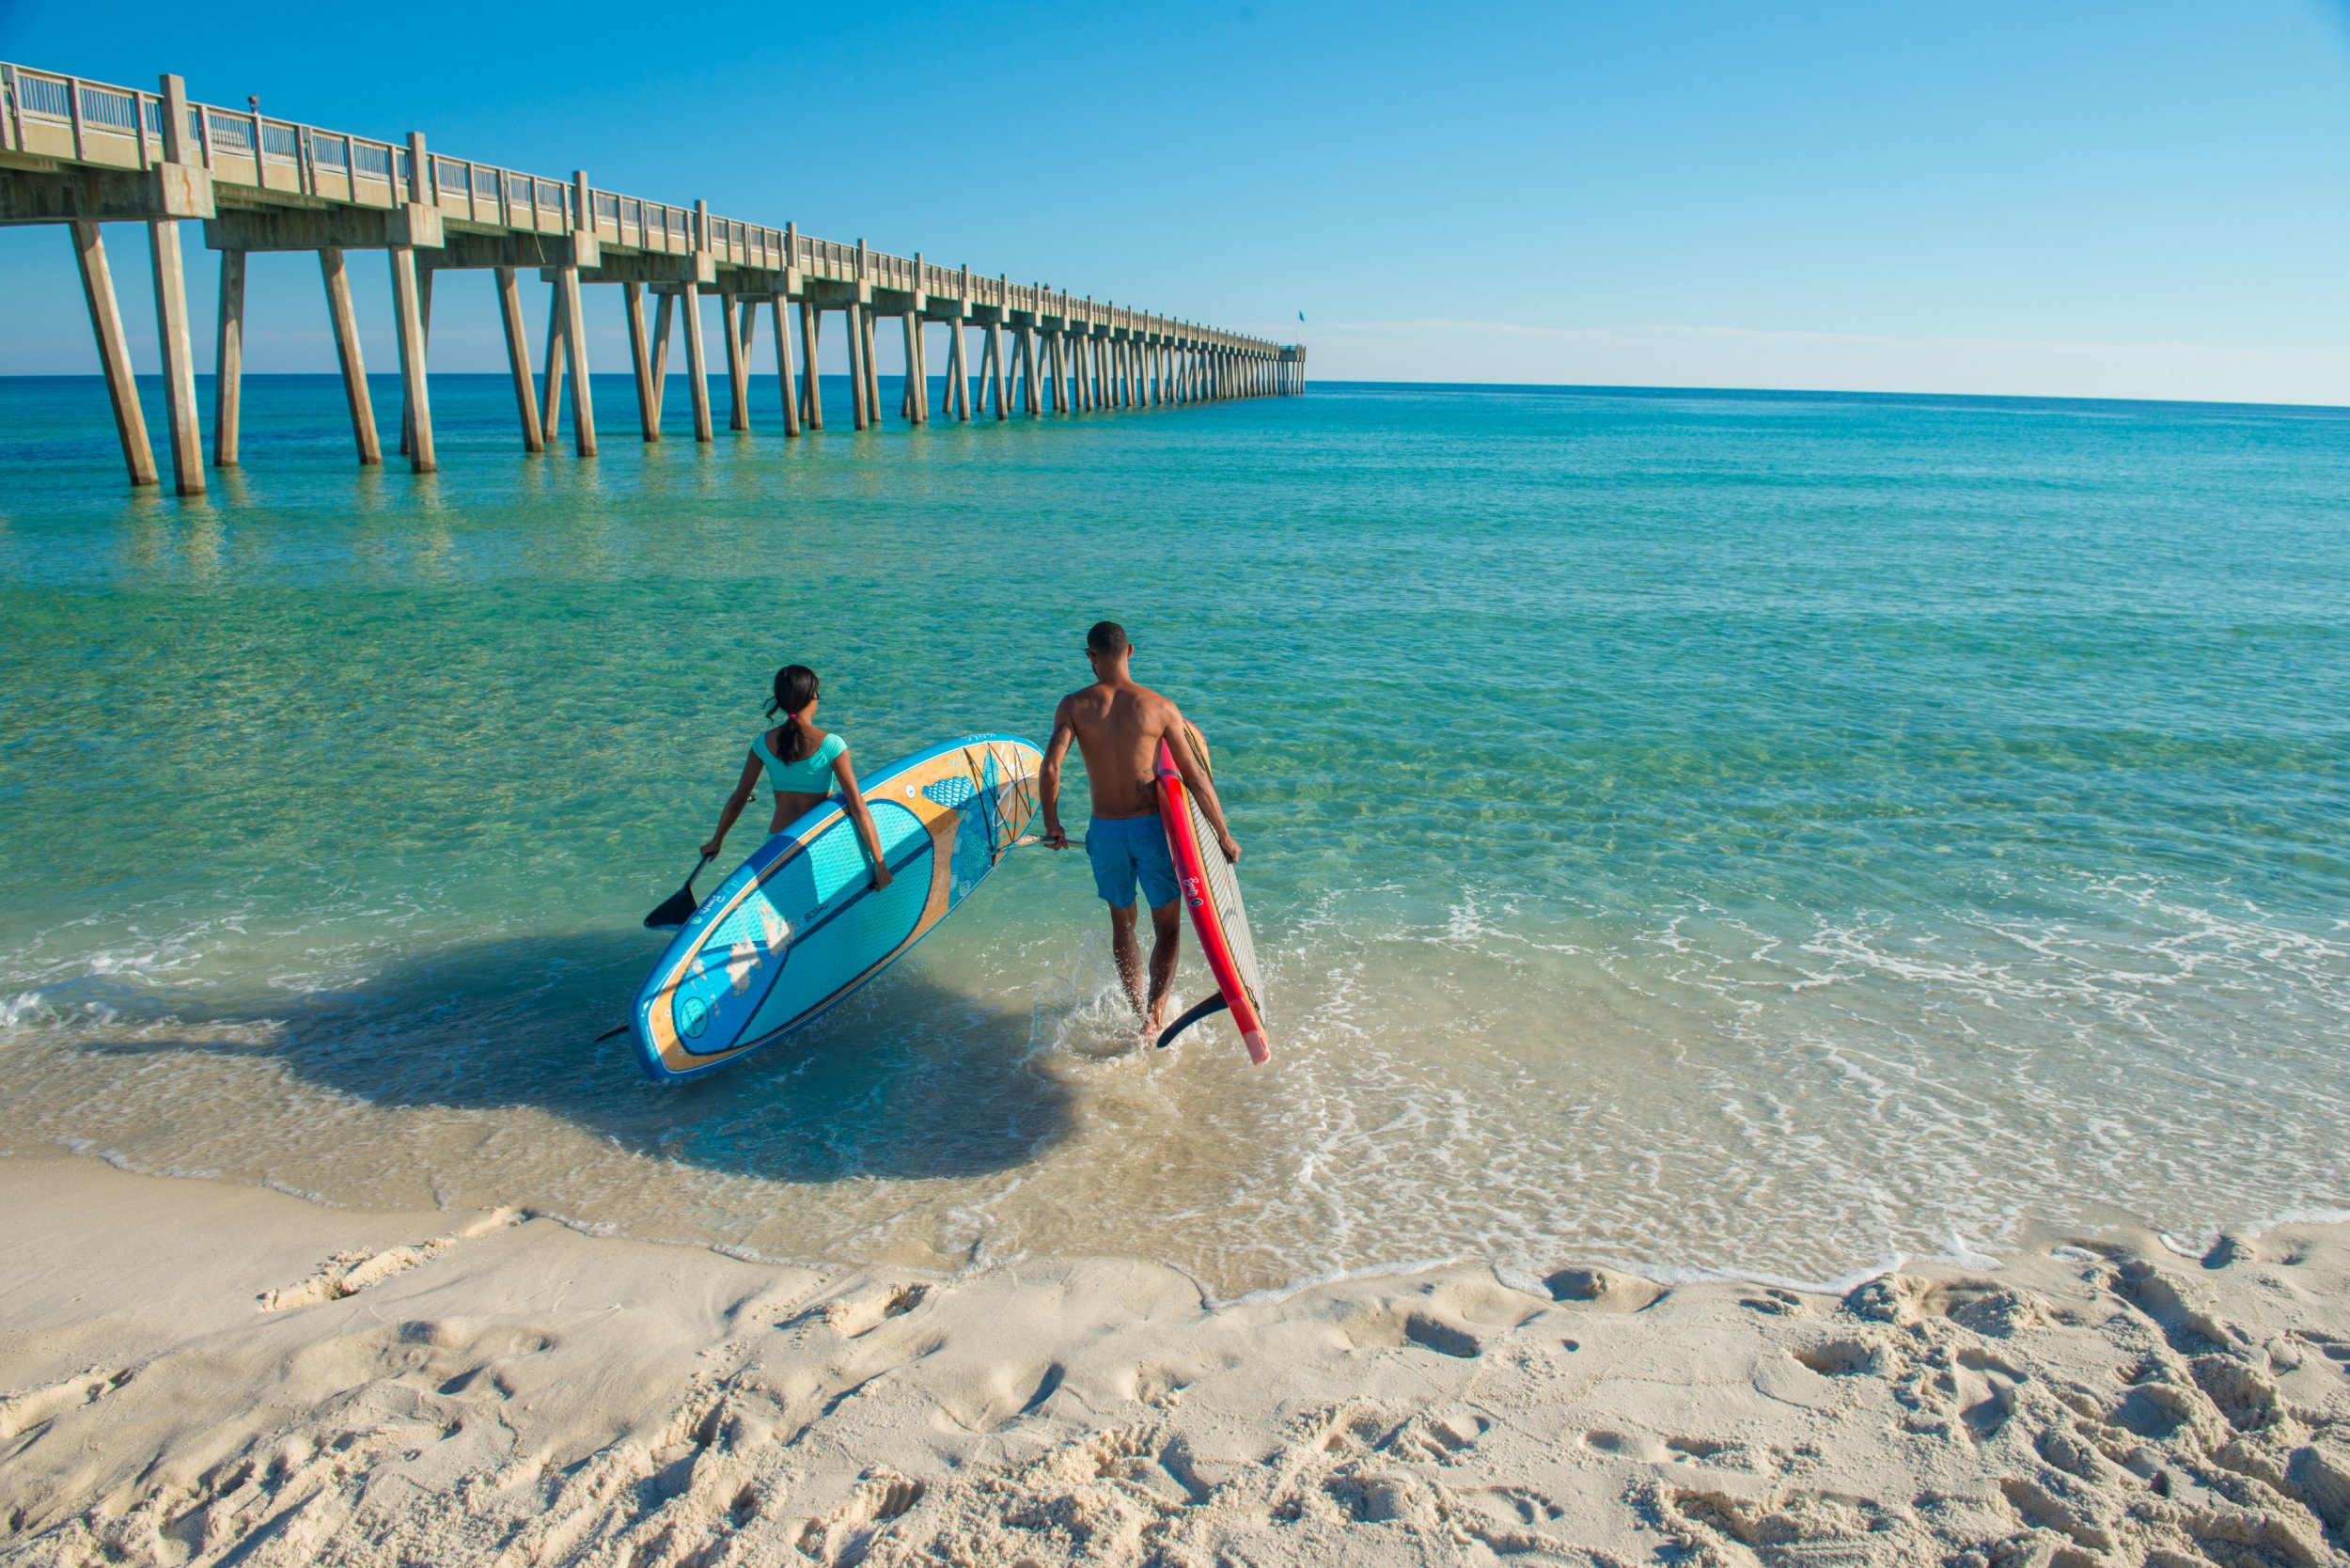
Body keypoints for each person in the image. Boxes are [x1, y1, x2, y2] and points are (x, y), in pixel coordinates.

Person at [1041, 621, 1240, 1035]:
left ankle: (1135, 1011)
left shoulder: (1074, 706)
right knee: (1167, 925)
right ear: (1130, 651)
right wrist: (1222, 834)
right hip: (1152, 831)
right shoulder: (1160, 707)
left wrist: (1053, 824)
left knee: (1123, 923)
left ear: (1090, 657)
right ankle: (1154, 1015)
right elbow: (1195, 777)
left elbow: (1052, 767)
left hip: (1106, 833)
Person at [700, 665, 892, 889]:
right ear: (813, 695)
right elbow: (858, 806)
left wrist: (717, 840)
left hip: (777, 844)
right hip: (817, 841)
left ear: (780, 701)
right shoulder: (832, 745)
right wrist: (880, 863)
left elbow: (738, 799)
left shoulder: (762, 743)